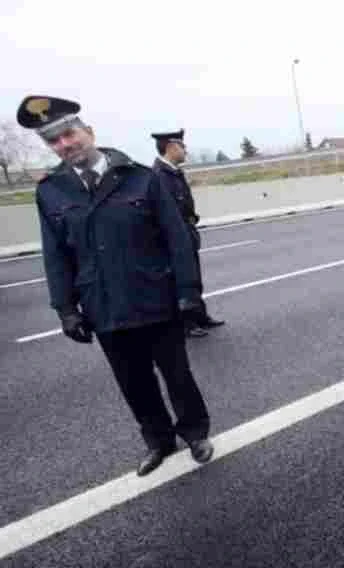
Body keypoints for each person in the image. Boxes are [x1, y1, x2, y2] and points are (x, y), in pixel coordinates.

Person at [20, 95, 214, 476]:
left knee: (177, 376)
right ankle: (158, 441)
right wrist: (66, 309)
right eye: (53, 141)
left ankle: (194, 432)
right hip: (103, 305)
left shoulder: (141, 178)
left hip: (156, 297)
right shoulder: (51, 192)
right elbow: (56, 255)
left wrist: (189, 293)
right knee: (133, 383)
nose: (65, 145)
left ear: (88, 132)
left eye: (69, 134)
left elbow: (176, 239)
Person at [151, 128, 225, 338]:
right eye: (182, 146)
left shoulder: (173, 171)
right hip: (174, 237)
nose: (186, 150)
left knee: (193, 277)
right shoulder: (159, 175)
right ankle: (186, 323)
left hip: (186, 233)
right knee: (180, 279)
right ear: (171, 147)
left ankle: (199, 316)